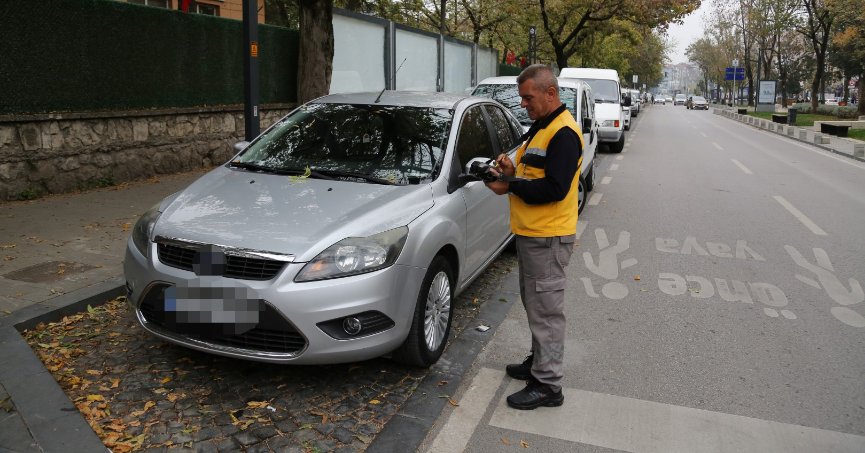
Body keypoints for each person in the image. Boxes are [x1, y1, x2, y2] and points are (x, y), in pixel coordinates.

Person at [485, 64, 583, 410]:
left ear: (550, 93)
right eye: (522, 98)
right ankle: (539, 363)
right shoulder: (542, 127)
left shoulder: (563, 134)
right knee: (536, 306)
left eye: (528, 97)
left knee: (547, 312)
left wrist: (509, 184)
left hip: (549, 238)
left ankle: (548, 384)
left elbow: (554, 189)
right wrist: (512, 172)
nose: (523, 104)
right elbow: (534, 174)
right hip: (533, 235)